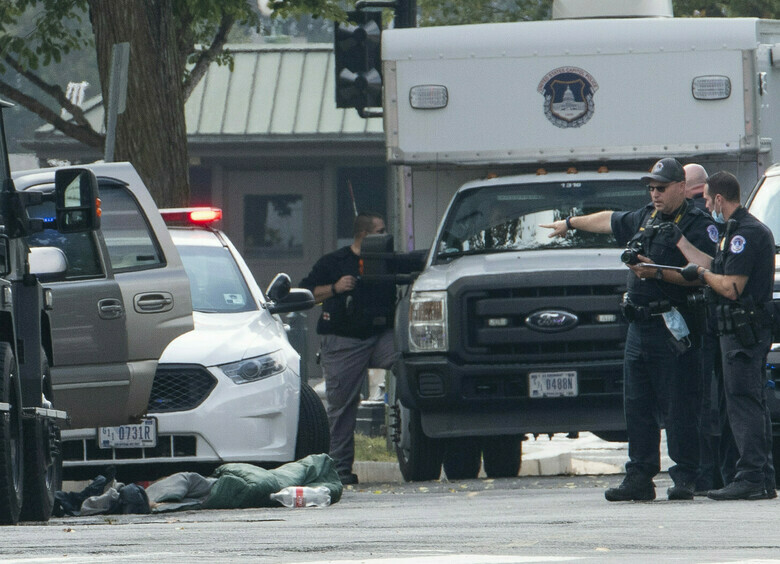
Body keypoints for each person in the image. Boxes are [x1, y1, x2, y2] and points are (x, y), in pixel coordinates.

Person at [541, 157, 717, 501]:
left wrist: (657, 272)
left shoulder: (697, 222)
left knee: (679, 404)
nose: (655, 194)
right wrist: (570, 222)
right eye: (651, 187)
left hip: (674, 326)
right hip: (639, 325)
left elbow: (705, 268)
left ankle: (686, 477)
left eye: (661, 188)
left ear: (681, 187)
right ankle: (639, 475)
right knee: (636, 404)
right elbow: (608, 219)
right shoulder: (645, 216)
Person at [674, 171, 776, 500]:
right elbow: (717, 267)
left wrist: (702, 275)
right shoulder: (733, 232)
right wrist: (680, 242)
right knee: (750, 402)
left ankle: (750, 477)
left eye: (706, 200)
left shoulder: (744, 233)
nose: (705, 206)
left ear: (719, 199)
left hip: (743, 333)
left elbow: (731, 286)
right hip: (737, 332)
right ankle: (762, 478)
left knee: (743, 404)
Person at [299, 212, 398, 485]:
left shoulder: (388, 262)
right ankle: (340, 469)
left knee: (409, 358)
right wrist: (335, 287)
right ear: (364, 235)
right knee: (342, 407)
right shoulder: (334, 262)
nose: (386, 236)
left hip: (381, 336)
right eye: (381, 231)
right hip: (343, 340)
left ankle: (408, 423)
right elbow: (305, 292)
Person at [685, 163, 725, 494]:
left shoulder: (694, 219)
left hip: (702, 318)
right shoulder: (714, 217)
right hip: (717, 319)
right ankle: (720, 471)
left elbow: (706, 265)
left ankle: (705, 472)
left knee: (702, 398)